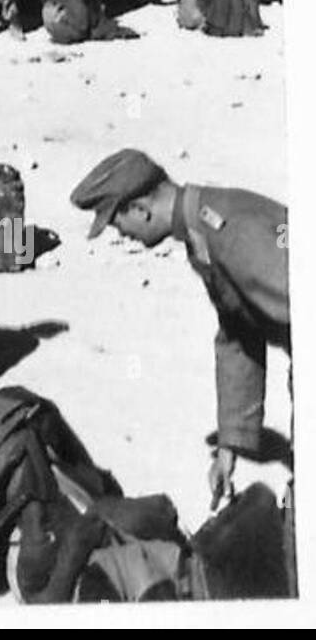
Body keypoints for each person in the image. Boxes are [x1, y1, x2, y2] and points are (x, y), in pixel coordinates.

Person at [70, 150, 289, 508]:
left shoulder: (232, 233)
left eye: (116, 223)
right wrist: (230, 445)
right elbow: (238, 335)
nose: (122, 235)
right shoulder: (202, 233)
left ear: (140, 209)